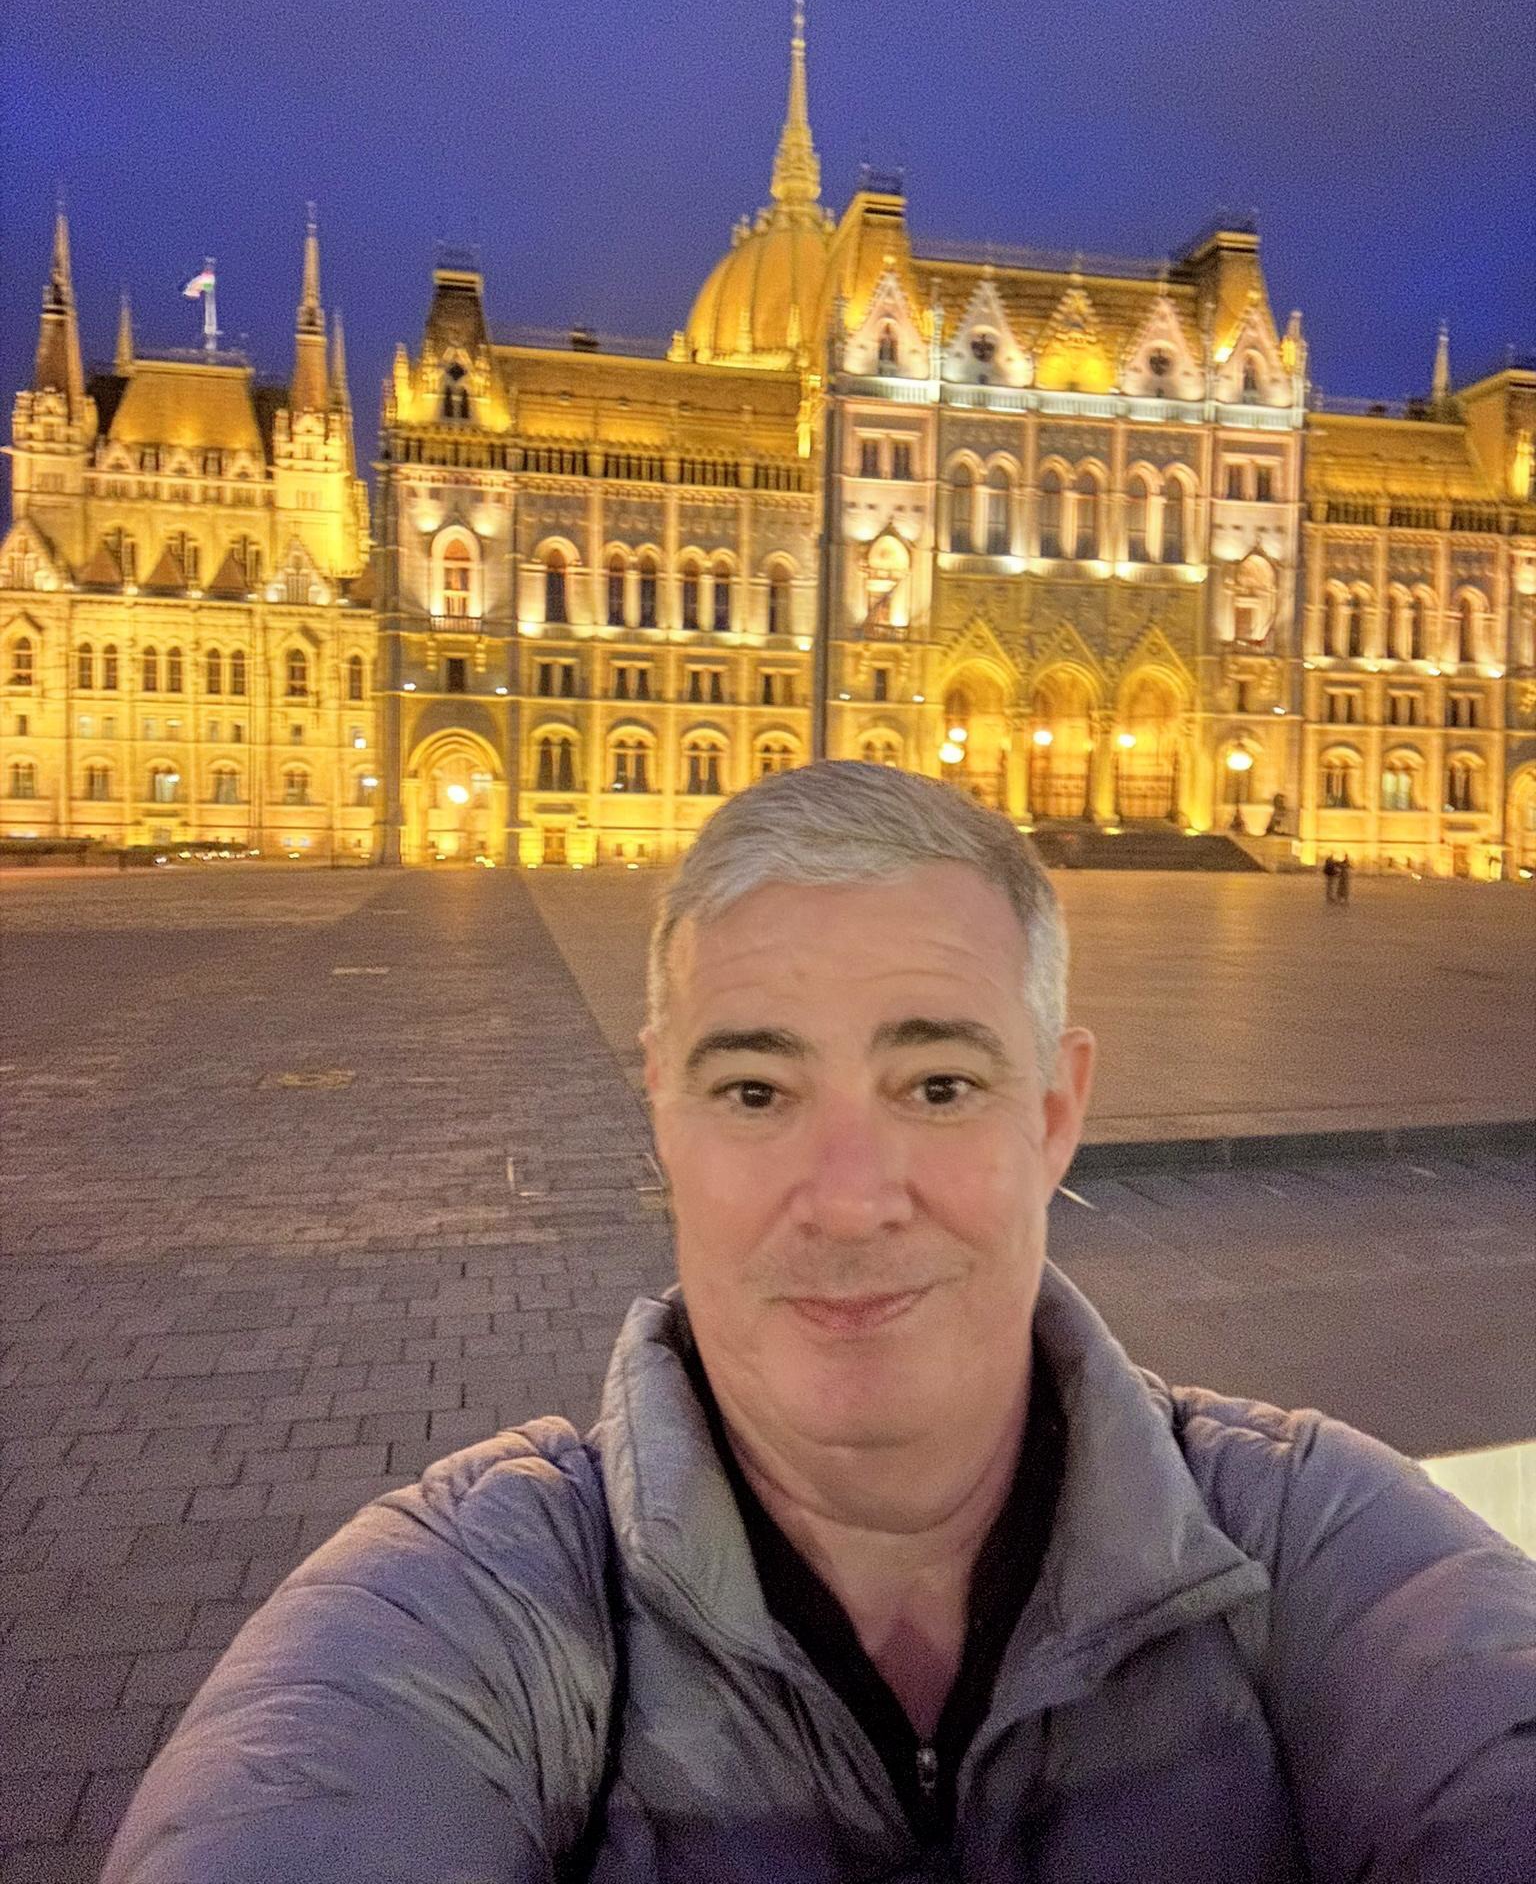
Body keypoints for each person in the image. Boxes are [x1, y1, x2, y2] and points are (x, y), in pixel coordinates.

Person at [103, 763, 1536, 1882]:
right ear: (659, 1114)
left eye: (938, 1087)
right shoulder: (463, 1612)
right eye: (755, 1092)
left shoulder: (1323, 1550)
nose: (851, 1201)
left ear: (1055, 1115)